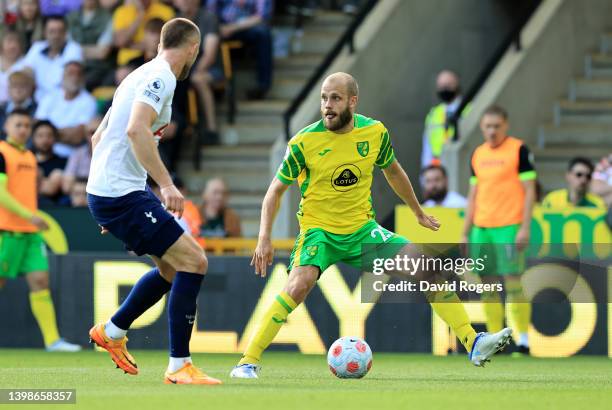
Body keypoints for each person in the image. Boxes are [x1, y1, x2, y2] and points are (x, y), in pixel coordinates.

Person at [230, 72, 513, 379]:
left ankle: (473, 342)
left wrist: (416, 210)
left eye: (335, 98)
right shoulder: (303, 142)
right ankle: (247, 361)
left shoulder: (374, 132)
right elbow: (275, 191)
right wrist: (263, 237)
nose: (327, 105)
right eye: (324, 98)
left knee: (429, 268)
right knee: (298, 285)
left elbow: (393, 172)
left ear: (353, 101)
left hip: (364, 230)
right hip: (320, 232)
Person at [87, 18, 222, 385]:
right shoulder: (160, 78)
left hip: (115, 192)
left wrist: (103, 196)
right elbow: (135, 130)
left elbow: (99, 138)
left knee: (171, 270)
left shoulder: (138, 74)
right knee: (195, 261)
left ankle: (112, 332)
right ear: (193, 49)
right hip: (122, 193)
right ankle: (180, 366)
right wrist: (166, 185)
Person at [0, 108, 81, 352]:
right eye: (18, 125)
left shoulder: (29, 157)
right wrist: (30, 215)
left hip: (29, 234)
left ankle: (52, 341)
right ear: (7, 127)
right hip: (6, 231)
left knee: (40, 281)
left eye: (26, 125)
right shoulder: (2, 153)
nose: (23, 129)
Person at [461, 105, 536, 356]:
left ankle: (523, 340)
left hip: (509, 226)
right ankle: (495, 340)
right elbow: (473, 194)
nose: (492, 131)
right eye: (487, 126)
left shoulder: (518, 150)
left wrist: (525, 227)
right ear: (482, 127)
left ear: (505, 125)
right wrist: (465, 231)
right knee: (487, 286)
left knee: (513, 283)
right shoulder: (478, 154)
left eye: (496, 126)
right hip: (482, 229)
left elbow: (530, 190)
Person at [207, 0, 273, 100]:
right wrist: (218, 27)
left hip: (247, 26)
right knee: (209, 35)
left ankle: (262, 86)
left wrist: (233, 28)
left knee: (263, 33)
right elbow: (209, 11)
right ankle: (216, 85)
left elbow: (261, 16)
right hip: (221, 26)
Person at [175, 0, 221, 140]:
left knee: (198, 79)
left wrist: (190, 71)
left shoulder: (208, 18)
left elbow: (210, 55)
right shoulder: (175, 21)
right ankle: (180, 123)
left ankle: (211, 129)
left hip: (208, 68)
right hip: (183, 68)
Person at [34, 61, 98, 157]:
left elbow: (79, 136)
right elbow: (37, 126)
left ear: (83, 78)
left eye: (78, 74)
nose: (75, 77)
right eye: (71, 73)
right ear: (63, 76)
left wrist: (48, 134)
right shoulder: (50, 96)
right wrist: (65, 134)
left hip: (71, 158)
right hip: (43, 155)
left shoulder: (89, 101)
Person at [21, 14, 83, 101]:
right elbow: (25, 72)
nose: (56, 36)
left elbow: (71, 78)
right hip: (36, 101)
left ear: (66, 33)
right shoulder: (37, 47)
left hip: (63, 101)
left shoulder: (74, 49)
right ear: (45, 33)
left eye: (60, 31)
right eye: (52, 31)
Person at [421, 70, 466, 168]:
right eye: (441, 86)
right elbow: (427, 146)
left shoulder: (468, 109)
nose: (444, 89)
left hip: (459, 162)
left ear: (457, 85)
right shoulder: (433, 113)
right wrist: (425, 171)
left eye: (448, 84)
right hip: (437, 167)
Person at [66, 0, 114, 90]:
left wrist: (76, 49)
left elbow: (102, 53)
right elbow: (66, 47)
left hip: (96, 67)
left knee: (82, 83)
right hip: (72, 64)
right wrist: (93, 50)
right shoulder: (70, 17)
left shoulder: (107, 17)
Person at [112, 0, 175, 66]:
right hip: (127, 62)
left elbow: (166, 41)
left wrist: (129, 45)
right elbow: (120, 42)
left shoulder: (165, 11)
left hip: (156, 59)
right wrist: (140, 15)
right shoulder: (122, 11)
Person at [61, 116, 98, 195]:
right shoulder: (77, 153)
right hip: (78, 195)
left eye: (98, 131)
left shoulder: (113, 154)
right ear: (86, 135)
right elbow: (66, 187)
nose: (95, 135)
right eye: (92, 132)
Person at [32, 120, 66, 204]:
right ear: (33, 138)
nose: (45, 140)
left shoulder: (63, 162)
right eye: (40, 136)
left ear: (55, 138)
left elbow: (50, 189)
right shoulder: (25, 160)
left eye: (49, 135)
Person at [0, 70, 36, 138]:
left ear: (30, 89)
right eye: (14, 86)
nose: (18, 90)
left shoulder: (37, 110)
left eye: (22, 86)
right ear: (9, 89)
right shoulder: (1, 109)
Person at [0, 30, 26, 105]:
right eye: (9, 42)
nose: (12, 46)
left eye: (16, 42)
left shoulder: (26, 64)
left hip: (14, 108)